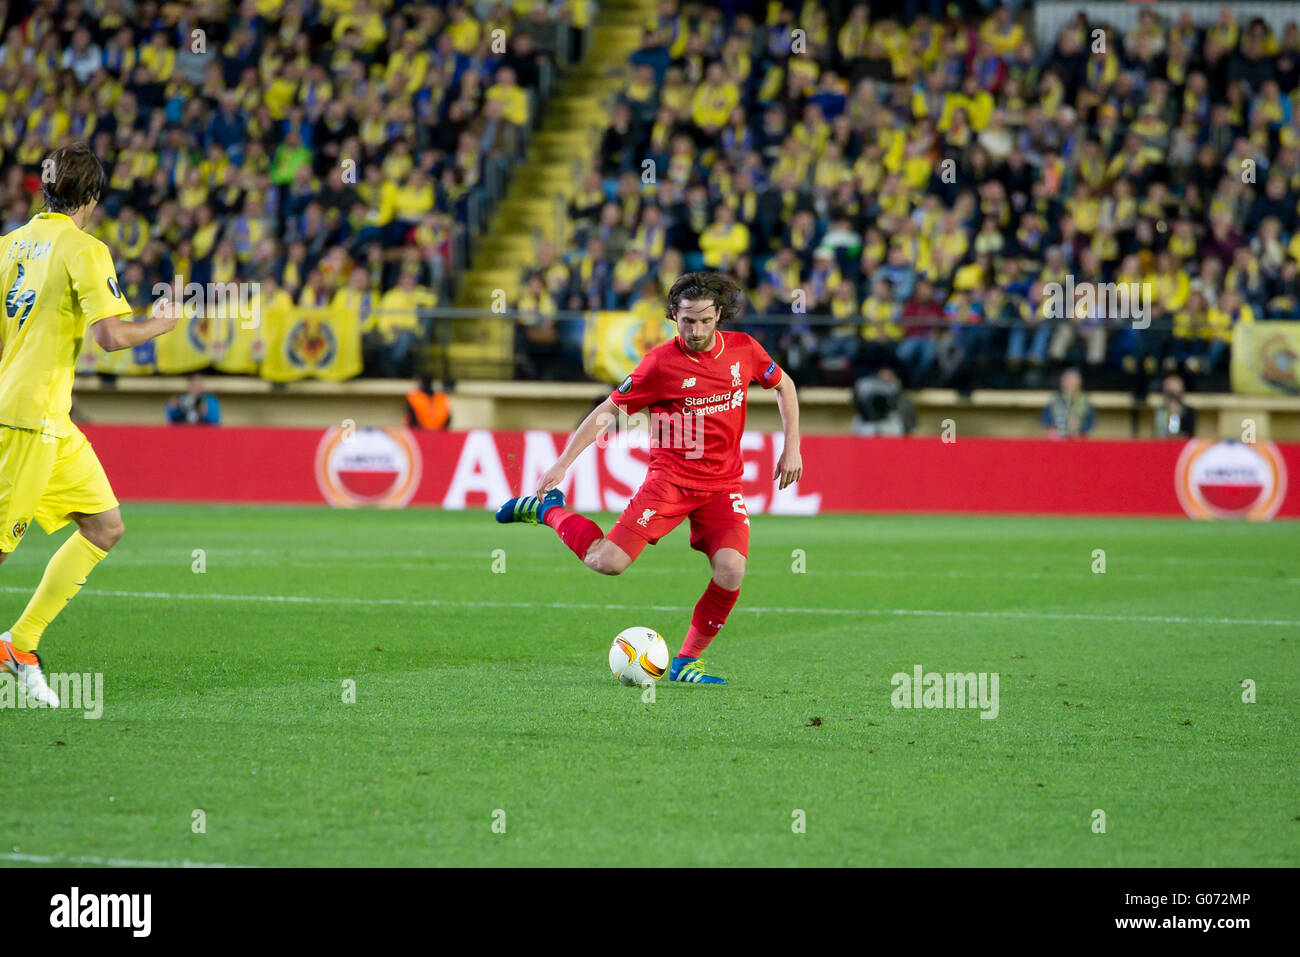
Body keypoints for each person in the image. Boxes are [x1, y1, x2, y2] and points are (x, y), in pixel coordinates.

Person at [493, 272, 803, 685]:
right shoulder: (659, 364)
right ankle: (548, 510)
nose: (696, 331)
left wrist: (792, 446)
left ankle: (687, 661)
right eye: (687, 321)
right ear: (674, 316)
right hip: (670, 481)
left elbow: (785, 386)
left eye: (705, 321)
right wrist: (563, 462)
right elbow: (607, 410)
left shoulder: (744, 350)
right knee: (607, 562)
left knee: (731, 571)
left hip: (723, 485)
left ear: (719, 316)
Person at [0, 142, 179, 706]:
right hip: (26, 421)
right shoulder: (85, 250)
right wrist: (162, 323)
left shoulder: (8, 245)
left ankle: (18, 645)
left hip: (50, 419)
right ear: (93, 197)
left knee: (104, 526)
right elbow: (110, 338)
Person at [1041, 368, 1095, 439]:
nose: (1070, 383)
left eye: (1073, 380)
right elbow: (1046, 419)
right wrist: (1053, 428)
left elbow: (1090, 422)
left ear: (1079, 382)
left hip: (1078, 436)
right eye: (1067, 380)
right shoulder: (1054, 400)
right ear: (1062, 381)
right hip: (1057, 436)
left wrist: (1080, 429)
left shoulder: (1085, 401)